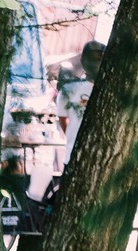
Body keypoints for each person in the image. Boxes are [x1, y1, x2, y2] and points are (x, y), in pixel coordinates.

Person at [55, 40, 105, 168]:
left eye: (99, 58)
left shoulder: (110, 91)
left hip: (102, 159)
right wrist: (74, 137)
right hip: (74, 156)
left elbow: (62, 119)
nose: (95, 64)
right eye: (93, 59)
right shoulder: (69, 89)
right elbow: (62, 118)